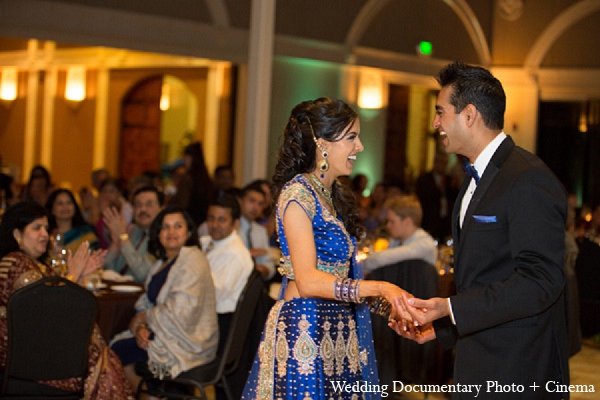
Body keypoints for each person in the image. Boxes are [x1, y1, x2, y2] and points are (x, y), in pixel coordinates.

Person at [394, 61, 569, 399]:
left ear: (469, 115)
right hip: (480, 360)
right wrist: (442, 325)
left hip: (518, 369)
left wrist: (451, 309)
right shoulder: (475, 177)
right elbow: (485, 276)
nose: (435, 124)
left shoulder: (527, 178)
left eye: (440, 112)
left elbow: (541, 281)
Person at [241, 97, 411, 399]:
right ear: (322, 144)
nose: (359, 147)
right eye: (351, 137)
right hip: (305, 327)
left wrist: (392, 308)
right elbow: (307, 280)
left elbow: (338, 274)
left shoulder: (328, 196)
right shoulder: (298, 195)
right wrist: (379, 287)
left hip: (335, 327)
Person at [0, 201, 133, 399]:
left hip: (43, 348)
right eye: (36, 228)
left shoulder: (37, 265)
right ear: (17, 234)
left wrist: (78, 277)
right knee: (97, 360)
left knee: (101, 357)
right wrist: (72, 276)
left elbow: (55, 306)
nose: (45, 234)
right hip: (24, 356)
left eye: (46, 228)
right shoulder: (13, 262)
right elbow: (43, 308)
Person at [110, 206, 218, 393]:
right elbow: (146, 304)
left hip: (187, 342)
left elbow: (180, 312)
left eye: (178, 226)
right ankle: (153, 394)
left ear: (189, 232)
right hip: (164, 331)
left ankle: (151, 396)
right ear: (158, 233)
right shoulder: (161, 264)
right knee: (120, 347)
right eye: (165, 227)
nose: (171, 232)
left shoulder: (193, 260)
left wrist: (144, 319)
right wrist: (141, 328)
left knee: (117, 351)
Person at [199, 194, 254, 350]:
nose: (214, 225)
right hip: (203, 319)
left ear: (235, 223)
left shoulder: (235, 255)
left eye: (221, 220)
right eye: (211, 218)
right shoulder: (206, 242)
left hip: (217, 327)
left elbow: (212, 296)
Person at [361, 195, 437, 274]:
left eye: (392, 222)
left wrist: (357, 267)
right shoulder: (396, 241)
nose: (388, 226)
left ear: (407, 222)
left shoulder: (425, 244)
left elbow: (379, 259)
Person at [103, 186, 164, 283]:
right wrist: (115, 243)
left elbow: (143, 274)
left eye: (149, 204)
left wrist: (123, 237)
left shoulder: (164, 237)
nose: (143, 209)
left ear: (161, 209)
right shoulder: (133, 231)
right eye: (138, 205)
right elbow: (108, 269)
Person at [415, 151, 458, 241]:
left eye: (445, 164)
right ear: (435, 163)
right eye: (441, 163)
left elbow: (454, 198)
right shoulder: (424, 179)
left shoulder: (449, 180)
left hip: (445, 221)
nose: (443, 167)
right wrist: (439, 189)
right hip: (430, 219)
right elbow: (424, 198)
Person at [168, 141, 214, 226]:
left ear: (191, 158)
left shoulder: (187, 178)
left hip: (188, 221)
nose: (183, 160)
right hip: (203, 222)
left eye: (185, 157)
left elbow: (182, 204)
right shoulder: (206, 178)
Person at [238, 180, 276, 280]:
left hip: (255, 282)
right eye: (251, 201)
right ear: (241, 201)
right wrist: (247, 255)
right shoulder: (232, 228)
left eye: (260, 204)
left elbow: (270, 267)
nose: (255, 207)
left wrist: (263, 270)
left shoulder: (261, 231)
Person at [45, 188, 100, 252]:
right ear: (52, 209)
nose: (65, 207)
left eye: (69, 202)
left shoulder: (85, 233)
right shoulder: (47, 236)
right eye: (60, 203)